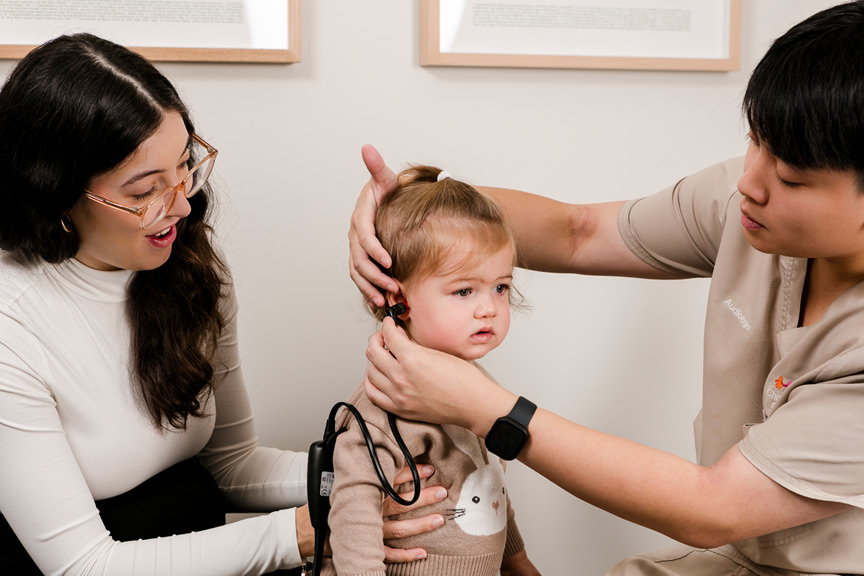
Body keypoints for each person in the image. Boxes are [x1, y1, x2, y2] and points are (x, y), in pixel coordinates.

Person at [348, 2, 864, 575]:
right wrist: (403, 208)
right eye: (753, 141)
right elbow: (578, 232)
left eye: (790, 176)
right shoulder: (743, 204)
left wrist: (492, 411)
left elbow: (713, 507)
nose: (749, 182)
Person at [0, 33, 440, 576]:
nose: (181, 204)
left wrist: (364, 476)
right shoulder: (10, 323)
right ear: (56, 193)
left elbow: (232, 464)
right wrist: (308, 530)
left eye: (185, 167)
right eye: (144, 192)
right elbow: (83, 565)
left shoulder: (187, 268)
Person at [322, 166, 540, 576]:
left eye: (501, 287)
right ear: (395, 299)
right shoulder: (385, 403)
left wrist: (515, 558)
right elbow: (353, 507)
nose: (488, 307)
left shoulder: (475, 383)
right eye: (464, 291)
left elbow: (486, 479)